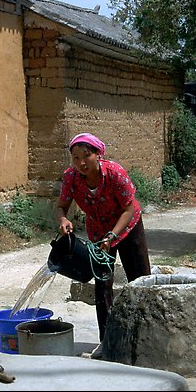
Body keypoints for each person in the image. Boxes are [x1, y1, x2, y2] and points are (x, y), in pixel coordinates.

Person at [55, 132, 151, 358]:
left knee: (141, 281)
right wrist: (63, 219)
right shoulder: (71, 178)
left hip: (127, 227)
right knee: (102, 286)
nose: (81, 163)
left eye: (86, 156)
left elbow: (129, 209)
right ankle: (107, 343)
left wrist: (113, 236)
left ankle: (146, 338)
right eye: (76, 157)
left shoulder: (115, 173)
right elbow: (61, 206)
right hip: (99, 233)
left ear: (98, 154)